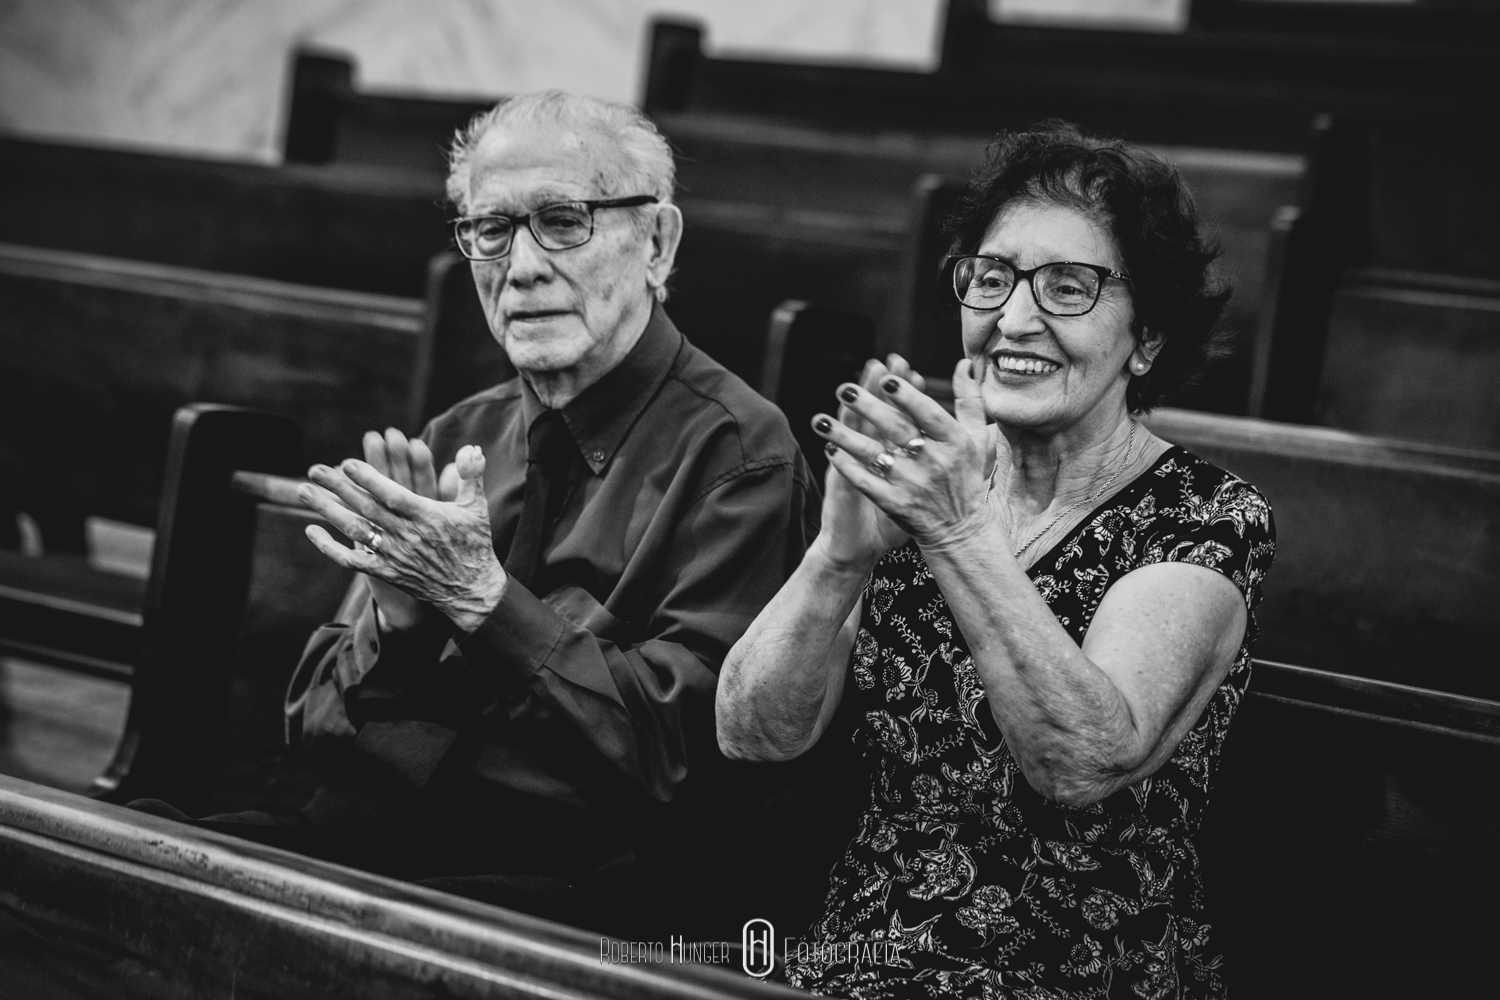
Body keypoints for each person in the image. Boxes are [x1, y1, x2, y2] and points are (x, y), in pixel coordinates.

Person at [716, 123, 1275, 998]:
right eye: (992, 277)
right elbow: (753, 735)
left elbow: (1083, 763)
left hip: (1075, 971)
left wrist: (958, 535)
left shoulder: (1207, 520)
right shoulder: (938, 482)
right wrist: (838, 557)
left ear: (1149, 337)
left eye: (1067, 287)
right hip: (863, 958)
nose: (1014, 318)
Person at [283, 91, 818, 932]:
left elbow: (682, 766)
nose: (521, 267)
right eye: (490, 230)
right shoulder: (460, 433)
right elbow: (312, 726)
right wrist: (403, 625)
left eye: (563, 220)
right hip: (367, 835)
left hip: (576, 886)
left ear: (658, 241)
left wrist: (481, 603)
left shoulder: (741, 457)